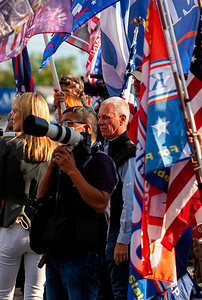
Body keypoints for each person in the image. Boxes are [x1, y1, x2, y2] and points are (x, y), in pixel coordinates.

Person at [36, 106, 118, 300]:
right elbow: (41, 195)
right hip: (56, 250)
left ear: (86, 129)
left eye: (68, 124)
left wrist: (72, 171)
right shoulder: (65, 159)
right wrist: (52, 166)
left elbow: (100, 203)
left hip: (83, 253)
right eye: (61, 124)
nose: (62, 129)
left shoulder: (101, 161)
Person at [0, 92, 58, 300]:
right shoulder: (55, 147)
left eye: (15, 111)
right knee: (35, 293)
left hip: (12, 222)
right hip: (42, 226)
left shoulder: (8, 144)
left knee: (3, 292)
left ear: (27, 114)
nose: (12, 115)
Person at [97, 97, 136, 300]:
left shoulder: (129, 153)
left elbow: (129, 200)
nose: (100, 122)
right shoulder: (104, 148)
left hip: (116, 236)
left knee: (119, 293)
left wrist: (122, 240)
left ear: (122, 119)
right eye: (99, 117)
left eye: (106, 117)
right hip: (102, 235)